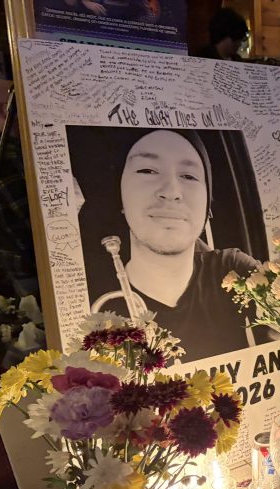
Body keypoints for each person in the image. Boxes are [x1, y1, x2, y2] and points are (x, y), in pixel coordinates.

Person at [76, 128, 269, 362]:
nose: (171, 192)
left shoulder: (232, 268)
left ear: (207, 205)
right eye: (147, 170)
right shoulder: (84, 297)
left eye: (189, 176)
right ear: (121, 197)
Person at [0, 79, 38, 298]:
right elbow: (35, 223)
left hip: (13, 267)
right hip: (34, 270)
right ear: (5, 109)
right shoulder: (8, 158)